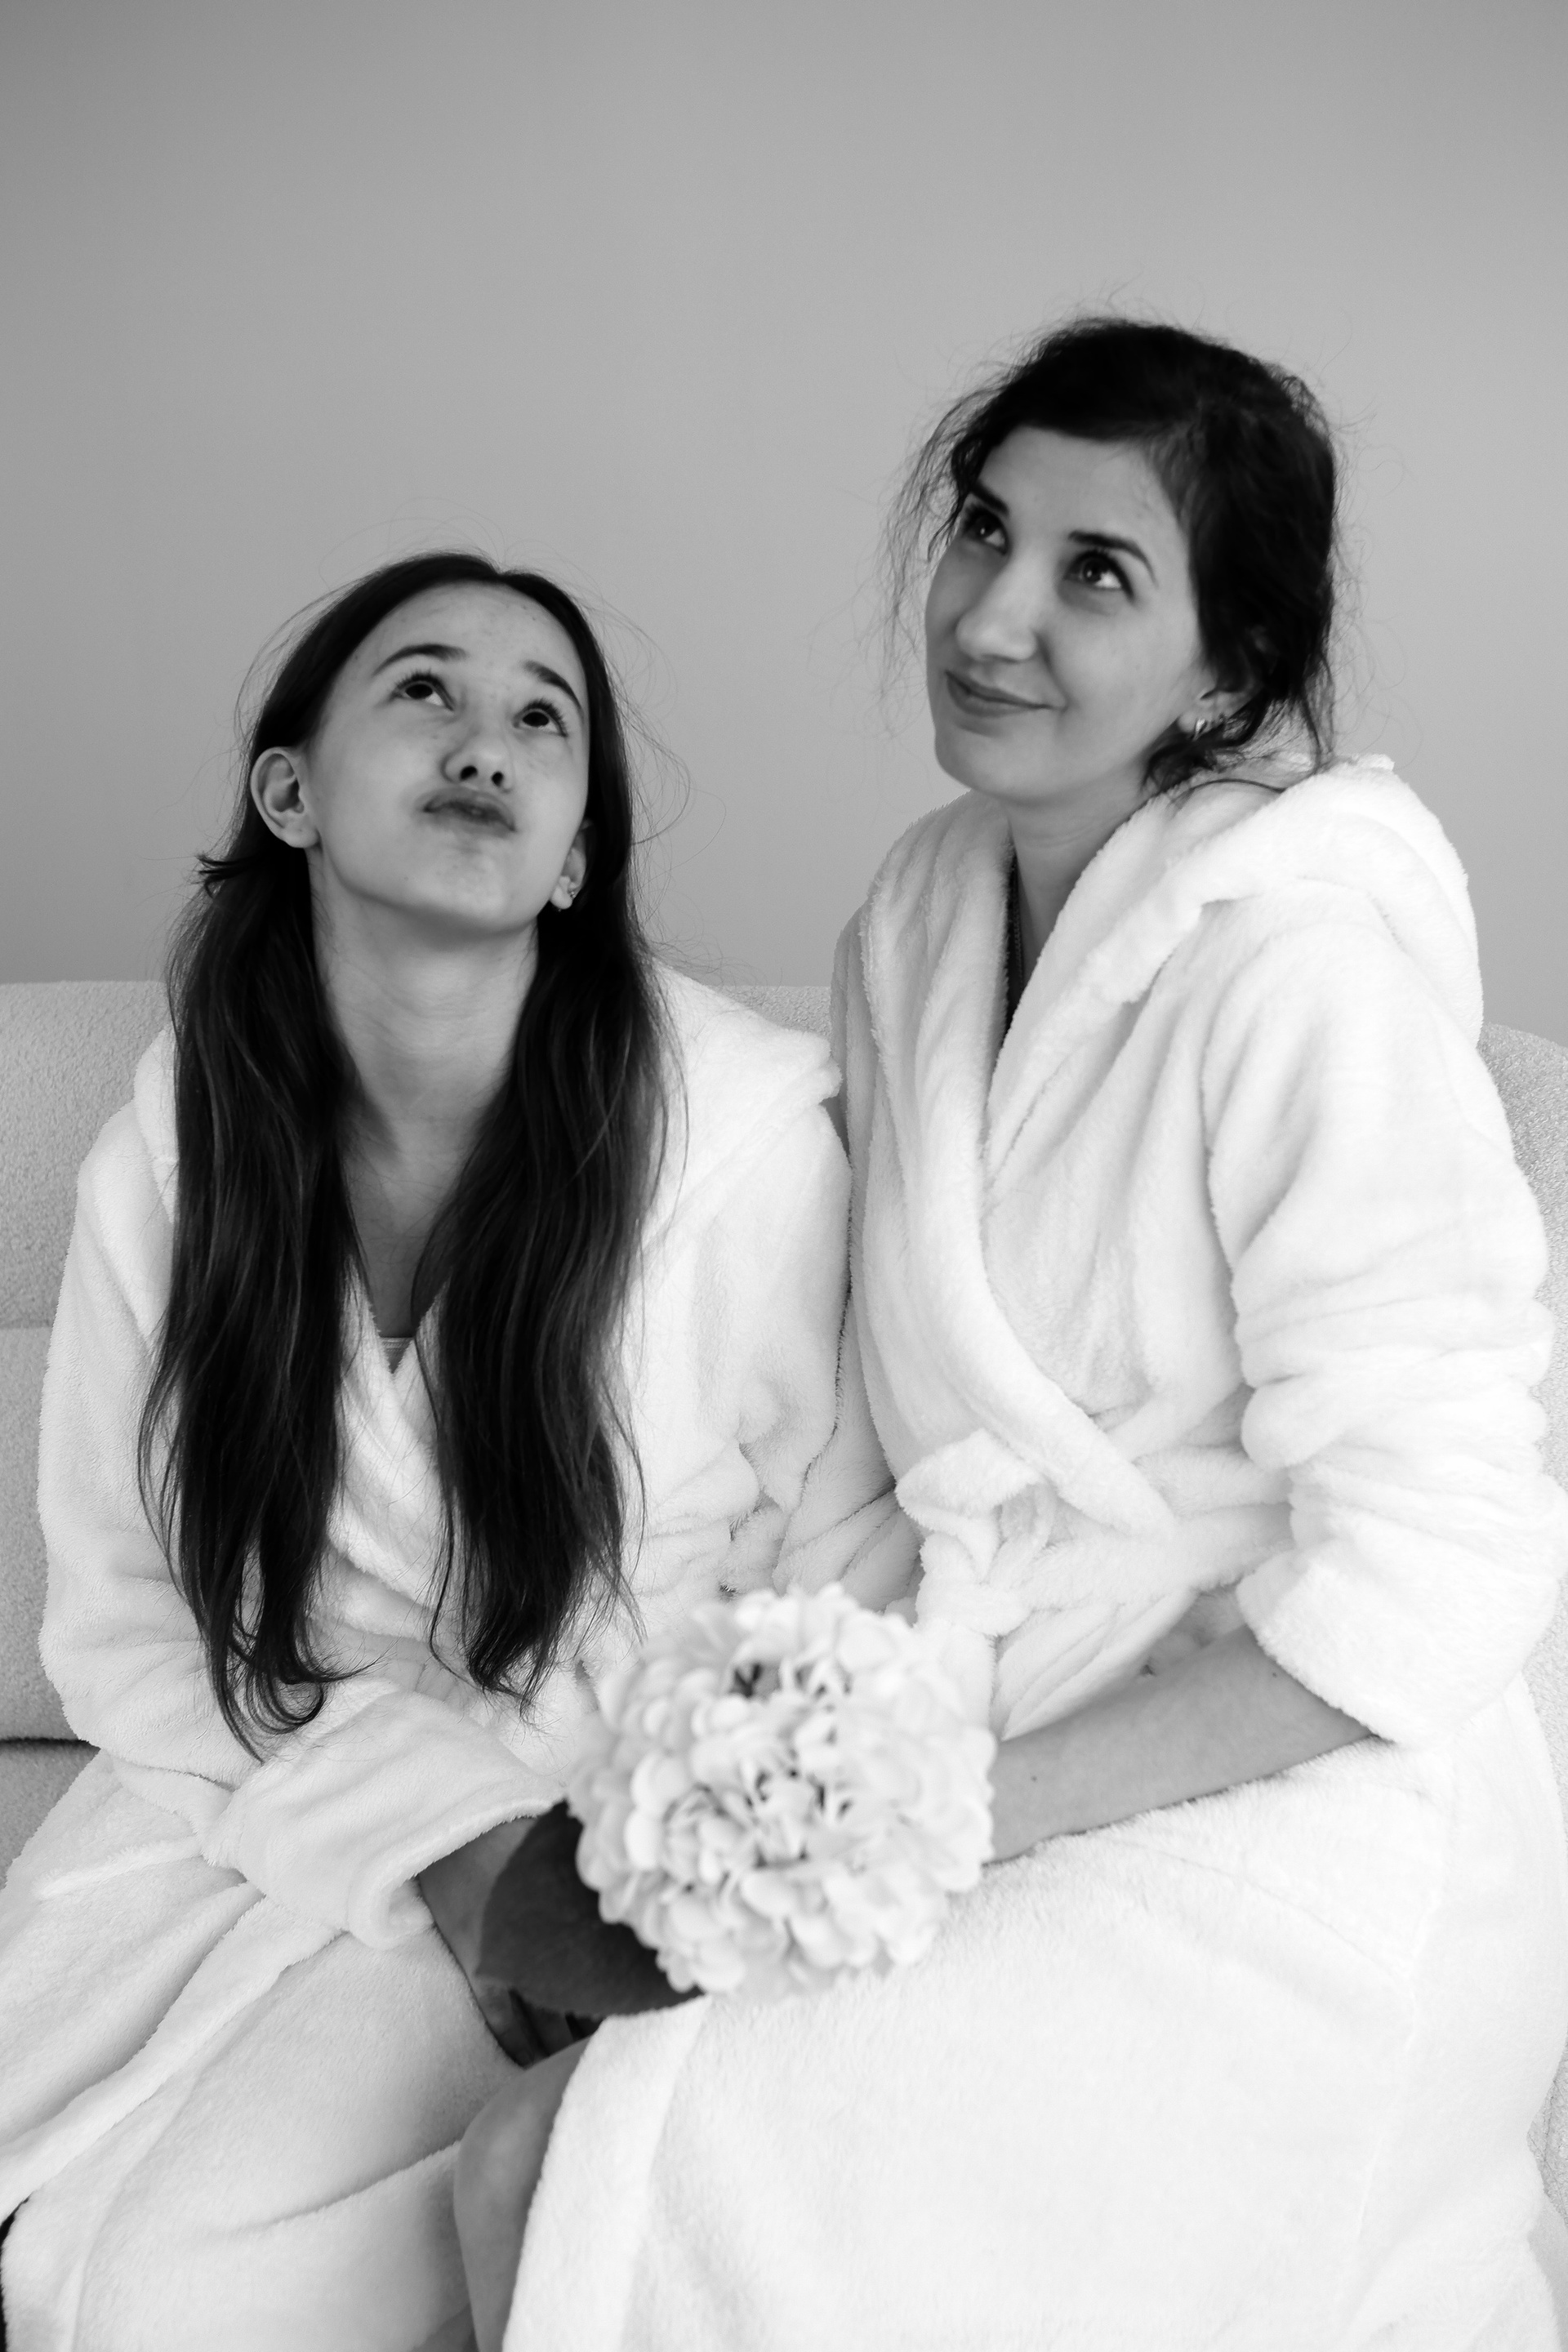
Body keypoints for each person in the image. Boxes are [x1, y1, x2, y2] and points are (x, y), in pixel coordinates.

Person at [467, 322, 1568, 2352]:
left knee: (590, 2172)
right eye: (986, 530)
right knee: (542, 2161)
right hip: (991, 1729)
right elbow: (873, 1427)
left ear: (1228, 669)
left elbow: (1444, 1569)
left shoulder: (1302, 969)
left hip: (1295, 1798)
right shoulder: (918, 921)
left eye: (1097, 573)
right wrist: (761, 1776)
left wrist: (948, 1814)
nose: (990, 617)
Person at [0, 552, 899, 2351]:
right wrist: (424, 1824)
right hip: (268, 1780)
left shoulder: (734, 1150)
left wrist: (594, 1872)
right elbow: (120, 1620)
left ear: (572, 859)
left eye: (542, 718)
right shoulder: (175, 1157)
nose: (486, 740)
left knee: (160, 2302)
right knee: (49, 2245)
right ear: (291, 793)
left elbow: (847, 1576)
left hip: (594, 1825)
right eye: (424, 689)